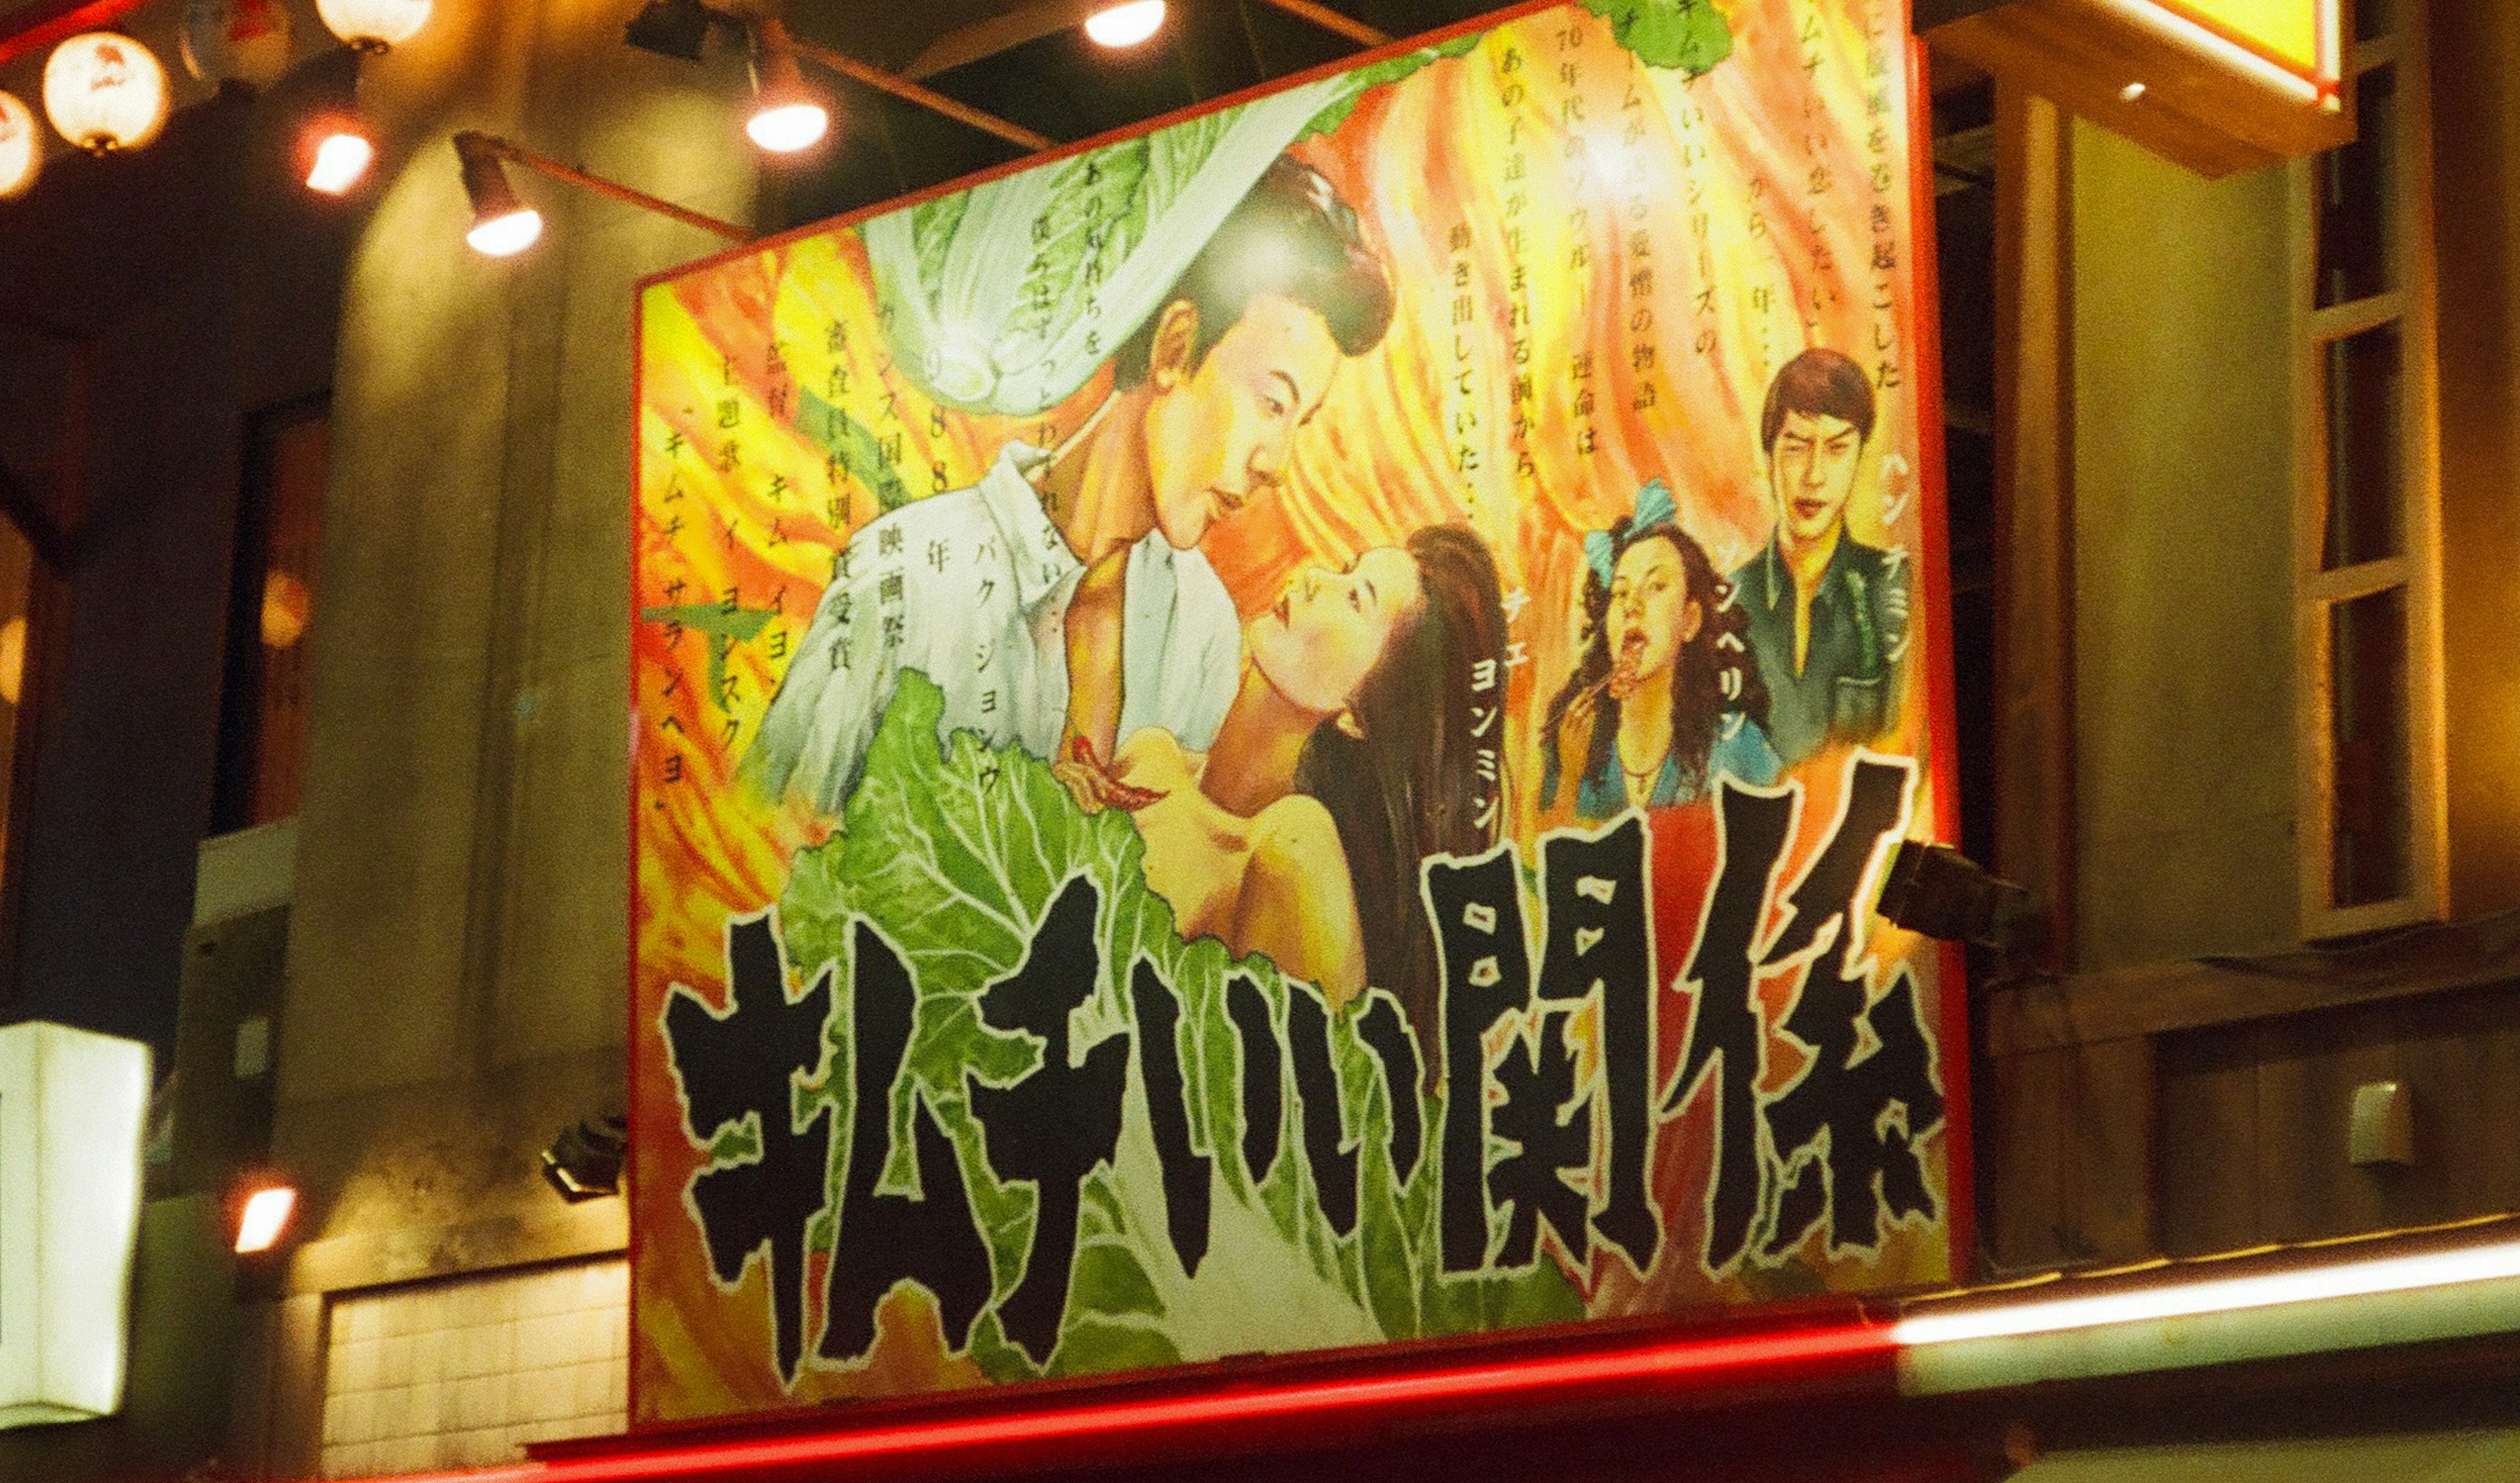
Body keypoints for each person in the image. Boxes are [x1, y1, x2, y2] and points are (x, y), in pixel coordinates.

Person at [751, 157, 1394, 819]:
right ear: (1174, 348)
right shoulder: (903, 575)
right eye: (1271, 403)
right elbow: (773, 852)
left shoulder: (1203, 625)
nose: (1277, 462)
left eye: (1300, 421)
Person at [1093, 526, 1504, 1025]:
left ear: (1359, 713)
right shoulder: (1150, 756)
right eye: (1345, 568)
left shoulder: (1294, 852)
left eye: (1356, 600)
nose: (1314, 580)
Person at [1541, 482, 1777, 820]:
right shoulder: (1575, 748)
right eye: (1621, 593)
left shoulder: (1737, 746)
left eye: (1655, 587)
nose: (1632, 606)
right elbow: (1542, 858)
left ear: (1690, 620)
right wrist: (1569, 778)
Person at [1731, 348, 1912, 767]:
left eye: (1836, 449)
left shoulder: (1894, 588)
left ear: (1858, 459)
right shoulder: (1727, 603)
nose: (1814, 475)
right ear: (1768, 457)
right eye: (1795, 447)